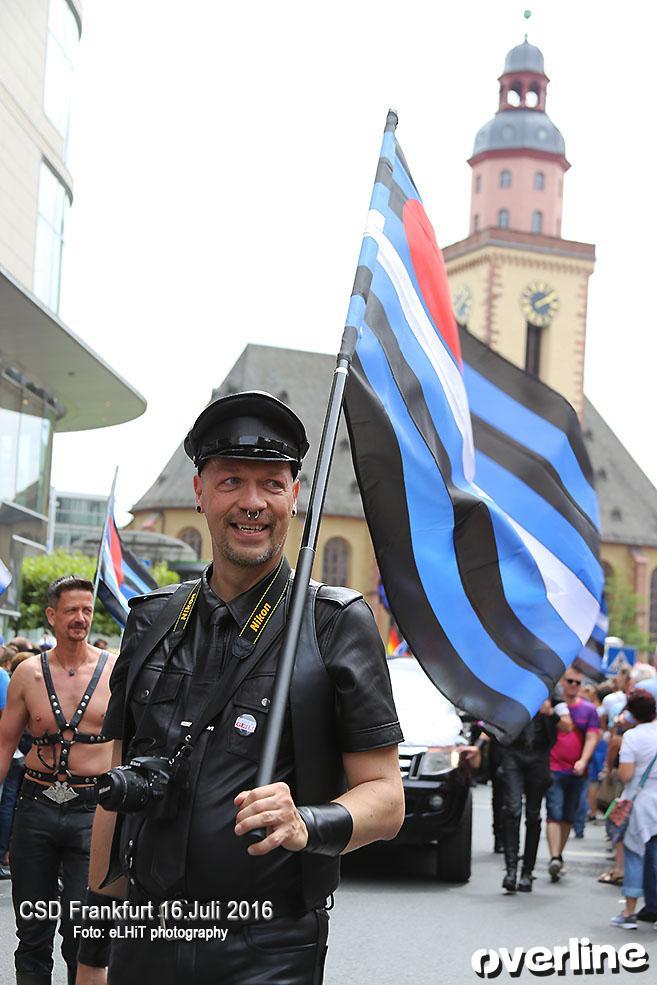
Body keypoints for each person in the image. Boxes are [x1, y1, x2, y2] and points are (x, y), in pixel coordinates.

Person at [77, 390, 406, 985]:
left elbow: (385, 798)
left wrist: (309, 820)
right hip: (146, 938)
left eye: (271, 485)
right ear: (199, 491)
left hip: (268, 948)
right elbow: (118, 794)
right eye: (231, 482)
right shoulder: (151, 620)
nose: (252, 503)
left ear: (294, 497)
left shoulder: (336, 622)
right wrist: (94, 954)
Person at [0, 575, 116, 985]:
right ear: (52, 616)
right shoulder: (28, 674)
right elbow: (3, 745)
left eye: (86, 610)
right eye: (71, 610)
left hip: (93, 811)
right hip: (35, 807)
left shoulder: (114, 670)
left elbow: (131, 744)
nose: (80, 618)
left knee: (82, 931)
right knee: (32, 930)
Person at [497, 699, 565, 893]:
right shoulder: (514, 681)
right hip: (514, 753)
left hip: (539, 756)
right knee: (512, 810)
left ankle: (527, 872)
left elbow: (567, 726)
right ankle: (511, 871)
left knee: (533, 816)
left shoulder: (551, 687)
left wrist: (550, 712)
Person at [545, 666, 600, 882]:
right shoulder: (553, 707)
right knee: (553, 813)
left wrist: (583, 760)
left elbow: (592, 737)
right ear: (562, 682)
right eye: (570, 681)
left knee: (568, 815)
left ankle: (559, 854)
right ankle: (554, 857)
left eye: (578, 682)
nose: (574, 686)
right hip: (553, 768)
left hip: (577, 770)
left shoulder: (588, 710)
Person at [609, 690, 657, 930]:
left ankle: (629, 912)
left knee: (635, 854)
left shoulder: (632, 737)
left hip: (641, 803)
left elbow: (626, 775)